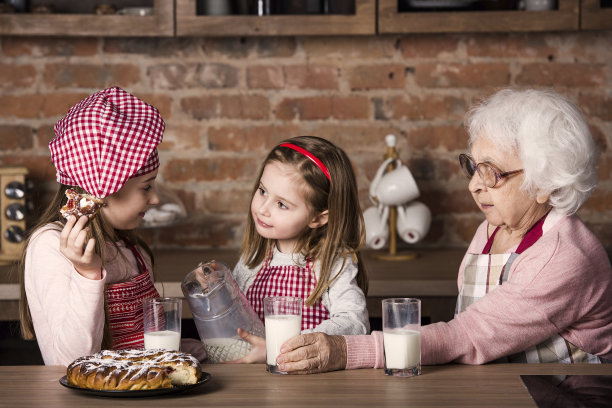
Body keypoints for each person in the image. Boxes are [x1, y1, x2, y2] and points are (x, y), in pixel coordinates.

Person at [273, 88, 612, 374]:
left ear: (546, 183)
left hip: (569, 393)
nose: (475, 186)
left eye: (491, 173)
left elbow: (468, 334)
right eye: (473, 167)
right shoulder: (493, 228)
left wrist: (346, 351)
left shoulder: (563, 257)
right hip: (507, 386)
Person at [19, 87, 204, 366]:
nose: (154, 199)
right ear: (102, 191)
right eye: (146, 187)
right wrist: (88, 274)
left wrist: (208, 350)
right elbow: (70, 362)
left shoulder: (130, 247)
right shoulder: (49, 247)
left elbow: (148, 348)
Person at [229, 136, 370, 363]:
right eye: (263, 191)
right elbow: (234, 322)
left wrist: (278, 347)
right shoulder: (252, 259)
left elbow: (355, 322)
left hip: (310, 383)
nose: (263, 209)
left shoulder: (331, 263)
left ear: (318, 217)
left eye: (282, 204)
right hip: (254, 382)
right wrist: (217, 291)